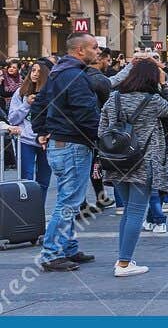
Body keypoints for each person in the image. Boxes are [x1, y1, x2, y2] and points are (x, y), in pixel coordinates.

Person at [96, 55, 168, 278]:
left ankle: (123, 258)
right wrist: (165, 84)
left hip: (117, 159)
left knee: (127, 211)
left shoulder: (113, 98)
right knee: (136, 211)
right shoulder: (153, 101)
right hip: (144, 161)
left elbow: (101, 130)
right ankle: (124, 263)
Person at [32, 34, 104, 272]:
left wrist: (41, 130)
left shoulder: (57, 72)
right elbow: (86, 112)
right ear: (80, 51)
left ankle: (69, 247)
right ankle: (51, 253)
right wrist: (100, 138)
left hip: (61, 144)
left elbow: (40, 102)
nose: (98, 51)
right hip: (73, 145)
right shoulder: (75, 75)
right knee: (68, 201)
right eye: (94, 47)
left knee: (69, 198)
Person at [6, 58, 52, 195]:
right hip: (26, 140)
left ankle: (39, 212)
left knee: (44, 180)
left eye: (39, 71)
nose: (35, 74)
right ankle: (29, 212)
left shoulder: (51, 93)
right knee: (27, 178)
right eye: (33, 70)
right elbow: (12, 119)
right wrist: (26, 105)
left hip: (46, 141)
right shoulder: (21, 92)